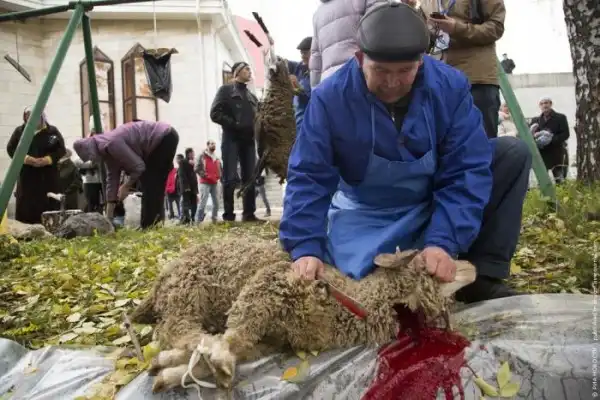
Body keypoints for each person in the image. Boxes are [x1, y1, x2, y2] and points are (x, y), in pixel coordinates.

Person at [279, 2, 532, 304]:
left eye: (404, 71)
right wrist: (306, 246)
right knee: (351, 283)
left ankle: (482, 277)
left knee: (512, 154)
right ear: (360, 58)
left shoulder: (450, 88)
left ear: (421, 62)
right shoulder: (329, 98)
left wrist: (443, 241)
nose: (392, 83)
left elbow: (466, 168)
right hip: (366, 212)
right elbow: (309, 175)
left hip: (428, 203)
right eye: (380, 70)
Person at [72, 120, 179, 229]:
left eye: (91, 157)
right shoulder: (107, 152)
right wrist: (109, 216)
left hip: (164, 137)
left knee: (151, 182)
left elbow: (139, 167)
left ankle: (150, 226)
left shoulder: (112, 143)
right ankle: (152, 224)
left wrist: (126, 186)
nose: (93, 160)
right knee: (151, 183)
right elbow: (112, 179)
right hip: (160, 140)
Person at [428, 0, 506, 139]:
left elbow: (496, 28)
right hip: (443, 80)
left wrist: (456, 28)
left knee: (481, 140)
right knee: (447, 142)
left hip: (476, 79)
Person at [209, 61, 260, 222]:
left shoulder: (252, 96)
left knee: (250, 177)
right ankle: (229, 215)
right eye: (246, 69)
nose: (249, 71)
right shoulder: (225, 90)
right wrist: (234, 124)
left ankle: (249, 213)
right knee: (230, 177)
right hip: (231, 138)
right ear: (237, 72)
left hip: (249, 140)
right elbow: (214, 113)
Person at [6, 106, 66, 224]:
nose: (32, 119)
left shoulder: (52, 131)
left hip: (48, 177)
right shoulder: (20, 132)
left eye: (36, 116)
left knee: (48, 207)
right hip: (27, 177)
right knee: (27, 208)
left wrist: (48, 159)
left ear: (42, 116)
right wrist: (26, 159)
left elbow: (61, 150)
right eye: (28, 117)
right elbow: (11, 149)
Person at [310, 0, 383, 87]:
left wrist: (315, 89)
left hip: (328, 84)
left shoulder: (318, 14)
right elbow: (384, 21)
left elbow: (316, 58)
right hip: (359, 77)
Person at [529, 97, 570, 184]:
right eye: (542, 103)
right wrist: (539, 140)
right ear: (540, 106)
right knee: (543, 182)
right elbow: (530, 136)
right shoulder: (535, 120)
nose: (544, 105)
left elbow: (565, 134)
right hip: (542, 155)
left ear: (550, 104)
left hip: (557, 154)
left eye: (546, 103)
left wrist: (551, 139)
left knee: (560, 181)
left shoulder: (561, 117)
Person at [287, 37, 312, 129]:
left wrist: (299, 89)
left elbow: (313, 100)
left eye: (305, 53)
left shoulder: (318, 73)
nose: (302, 56)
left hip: (309, 122)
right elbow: (281, 62)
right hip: (297, 121)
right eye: (301, 53)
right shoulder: (299, 68)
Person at [195, 140, 221, 223]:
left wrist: (219, 176)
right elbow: (196, 168)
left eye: (214, 144)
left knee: (216, 202)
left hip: (214, 182)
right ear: (207, 145)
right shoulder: (202, 155)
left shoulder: (216, 157)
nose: (214, 145)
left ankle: (214, 219)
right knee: (203, 202)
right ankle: (198, 220)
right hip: (205, 182)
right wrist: (205, 175)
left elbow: (219, 168)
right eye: (212, 144)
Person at [177, 147, 198, 224]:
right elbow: (182, 175)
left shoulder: (194, 162)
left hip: (193, 187)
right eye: (192, 153)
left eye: (193, 153)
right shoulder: (183, 162)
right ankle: (187, 220)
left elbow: (194, 175)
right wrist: (186, 186)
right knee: (185, 204)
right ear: (188, 154)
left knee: (194, 204)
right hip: (186, 187)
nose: (193, 154)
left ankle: (193, 218)